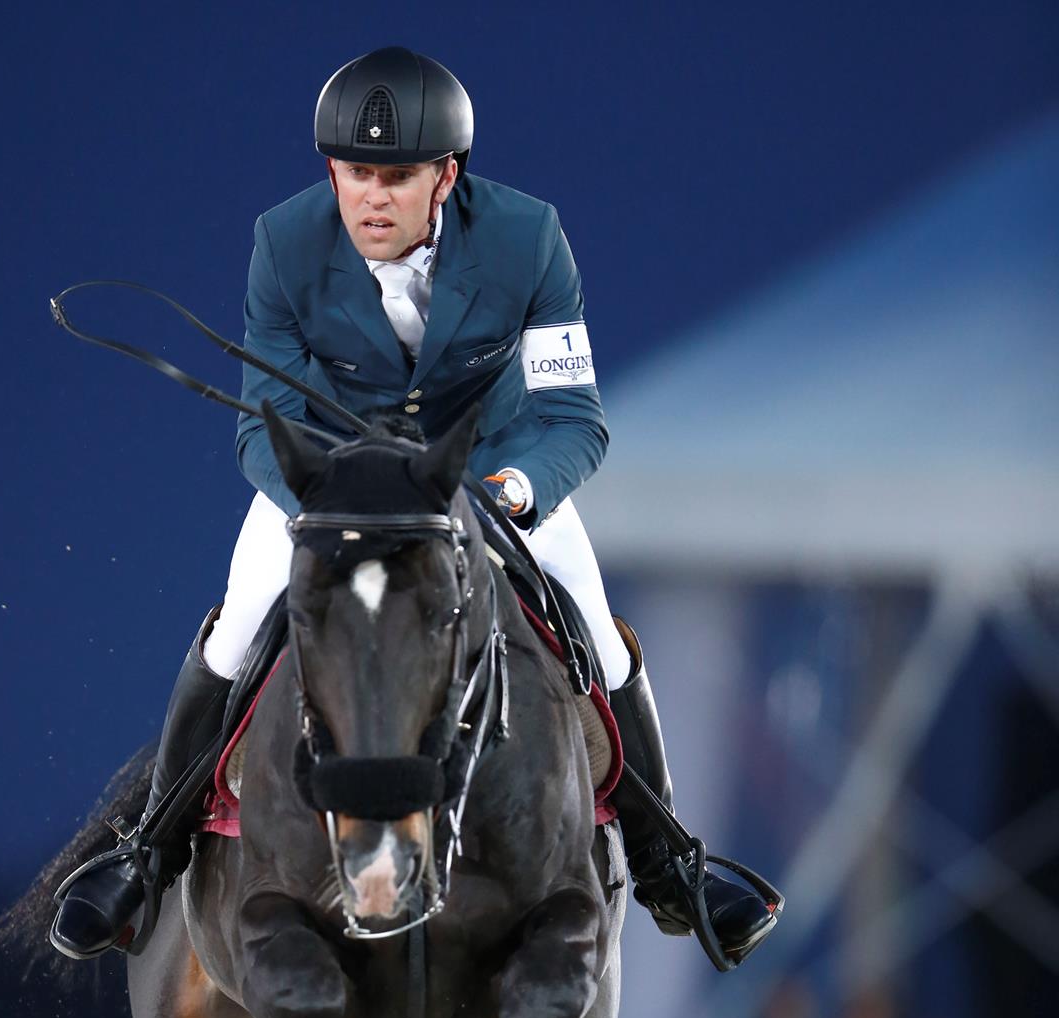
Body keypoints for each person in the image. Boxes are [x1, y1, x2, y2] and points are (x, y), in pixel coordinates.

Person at [51, 45, 778, 967]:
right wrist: (324, 505)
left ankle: (671, 862)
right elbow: (257, 433)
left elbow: (572, 417)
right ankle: (148, 853)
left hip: (492, 484)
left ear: (447, 176)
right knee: (237, 631)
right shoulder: (283, 242)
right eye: (357, 173)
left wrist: (516, 491)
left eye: (398, 175)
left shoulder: (528, 237)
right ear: (331, 171)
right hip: (329, 491)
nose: (374, 197)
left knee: (594, 630)